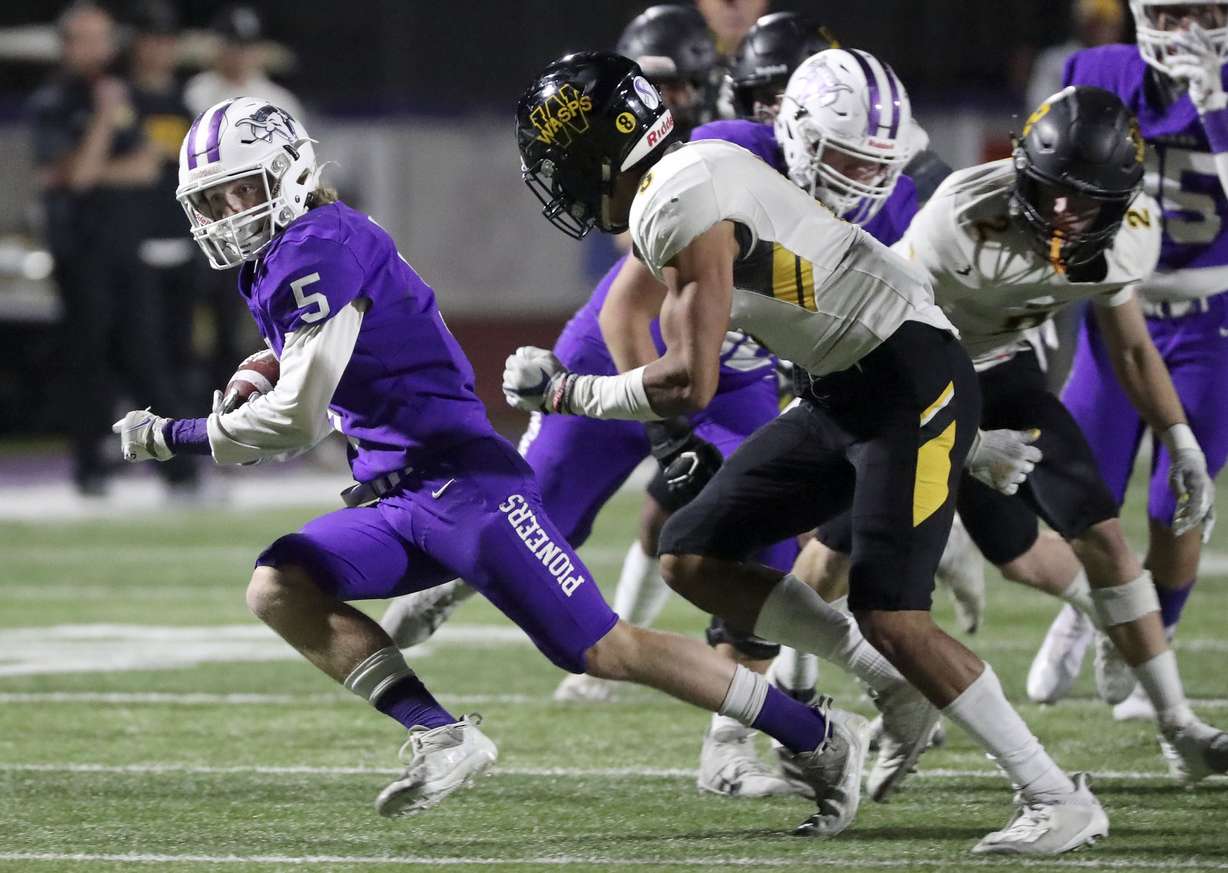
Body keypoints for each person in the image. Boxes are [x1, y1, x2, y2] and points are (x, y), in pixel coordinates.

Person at [110, 95, 870, 836]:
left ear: (288, 171)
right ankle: (441, 735)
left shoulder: (317, 248)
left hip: (466, 486)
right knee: (279, 582)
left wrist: (170, 434)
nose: (226, 213)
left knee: (605, 648)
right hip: (400, 494)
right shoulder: (306, 245)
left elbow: (294, 423)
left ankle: (818, 732)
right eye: (212, 200)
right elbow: (331, 347)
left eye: (241, 190)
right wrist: (265, 361)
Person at [505, 50, 1102, 855]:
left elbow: (690, 380)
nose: (556, 178)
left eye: (559, 161)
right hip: (848, 383)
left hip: (903, 381)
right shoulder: (693, 170)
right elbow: (837, 279)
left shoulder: (679, 198)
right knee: (692, 552)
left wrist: (566, 394)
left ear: (596, 154)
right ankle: (884, 685)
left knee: (895, 612)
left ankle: (1055, 794)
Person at [385, 46, 935, 804]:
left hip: (737, 378)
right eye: (764, 97)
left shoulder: (888, 196)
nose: (769, 112)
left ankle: (731, 743)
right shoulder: (732, 156)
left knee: (761, 551)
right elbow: (625, 306)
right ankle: (447, 585)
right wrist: (666, 435)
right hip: (619, 357)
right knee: (527, 510)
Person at [802, 85, 1227, 785]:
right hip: (903, 373)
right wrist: (956, 445)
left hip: (999, 370)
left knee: (1092, 539)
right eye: (1051, 189)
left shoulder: (1129, 236)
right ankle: (795, 707)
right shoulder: (957, 224)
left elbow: (1130, 350)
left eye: (1083, 199)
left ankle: (1178, 724)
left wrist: (1178, 438)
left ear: (1119, 203)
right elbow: (883, 337)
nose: (1061, 211)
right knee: (827, 557)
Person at [1029, 0, 1228, 727]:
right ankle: (1090, 611)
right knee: (1083, 489)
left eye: (1206, 14)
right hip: (1122, 310)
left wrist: (1216, 113)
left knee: (1176, 506)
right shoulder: (1103, 71)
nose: (1190, 33)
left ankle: (1156, 639)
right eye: (1173, 15)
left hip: (1214, 323)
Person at [28, 0, 181, 496]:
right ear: (68, 45)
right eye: (88, 39)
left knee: (146, 356)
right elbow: (73, 176)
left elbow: (145, 166)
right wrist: (99, 123)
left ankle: (177, 469)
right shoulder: (54, 102)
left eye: (104, 38)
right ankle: (90, 469)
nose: (101, 49)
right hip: (80, 251)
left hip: (124, 246)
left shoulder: (121, 97)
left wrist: (92, 172)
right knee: (88, 360)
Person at [125, 0, 204, 493]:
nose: (160, 49)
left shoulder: (183, 105)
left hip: (184, 245)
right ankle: (168, 459)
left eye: (166, 40)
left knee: (182, 358)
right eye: (151, 39)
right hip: (135, 249)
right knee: (144, 359)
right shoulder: (120, 100)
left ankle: (184, 455)